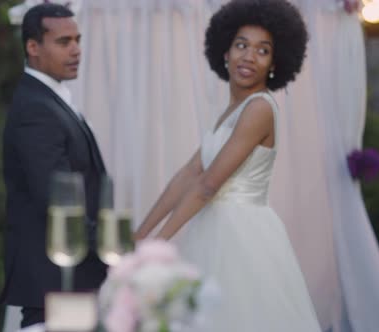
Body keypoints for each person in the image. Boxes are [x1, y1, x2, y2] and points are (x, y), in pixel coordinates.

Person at [134, 0, 321, 330]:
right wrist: (141, 236)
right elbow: (187, 175)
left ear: (274, 64)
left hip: (242, 237)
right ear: (224, 52)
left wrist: (158, 245)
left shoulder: (259, 108)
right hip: (214, 228)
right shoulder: (233, 111)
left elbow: (207, 185)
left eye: (262, 51)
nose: (249, 56)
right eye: (241, 45)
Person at [0, 3, 107, 328]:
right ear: (32, 47)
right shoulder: (37, 109)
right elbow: (59, 201)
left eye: (78, 39)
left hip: (67, 277)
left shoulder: (49, 100)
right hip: (56, 279)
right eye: (64, 42)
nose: (76, 50)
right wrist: (113, 247)